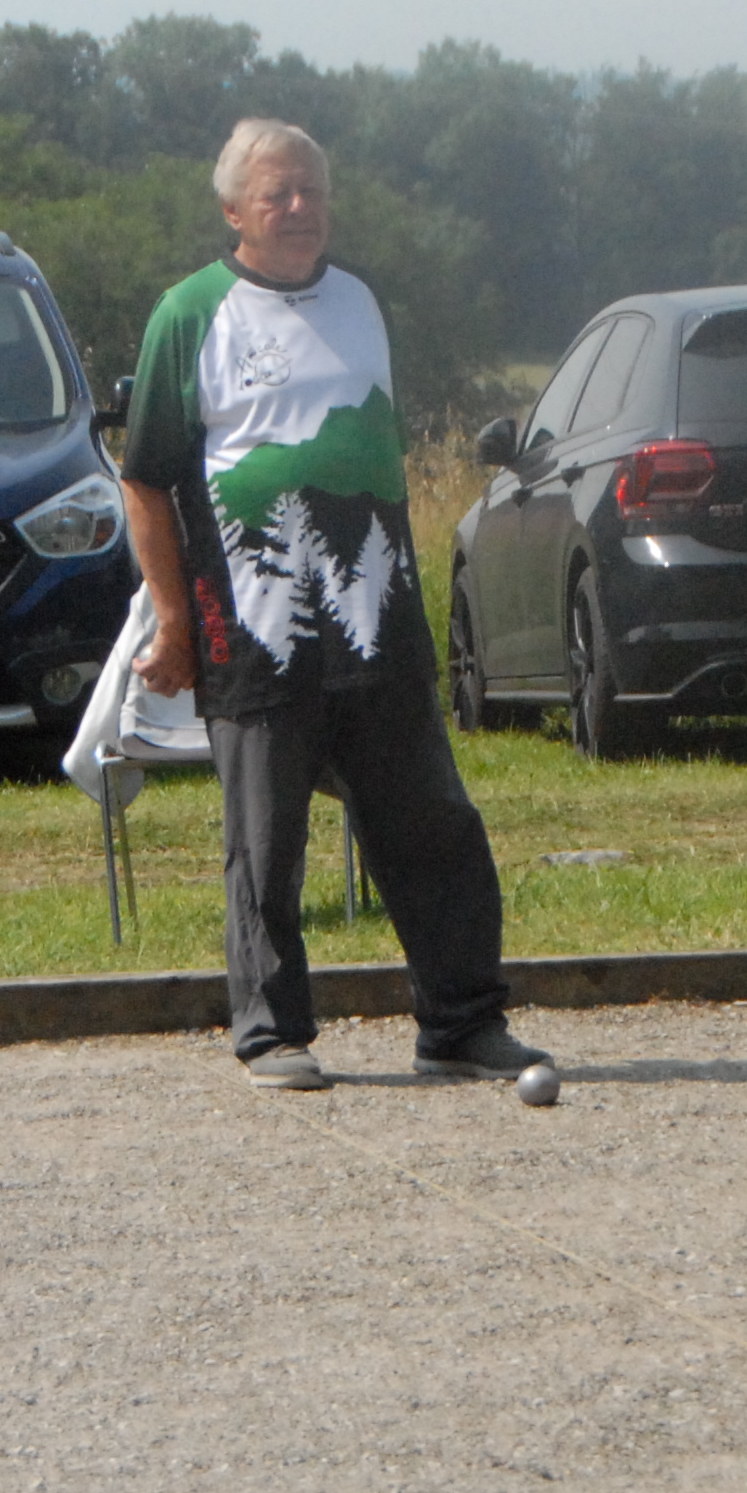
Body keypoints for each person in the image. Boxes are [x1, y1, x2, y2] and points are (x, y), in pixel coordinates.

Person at [120, 118, 550, 1093]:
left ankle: (461, 1022)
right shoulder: (191, 313)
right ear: (234, 211)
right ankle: (271, 1031)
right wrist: (175, 620)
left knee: (434, 825)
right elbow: (143, 480)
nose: (299, 208)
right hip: (254, 624)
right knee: (265, 841)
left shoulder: (358, 299)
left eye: (312, 190)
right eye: (277, 193)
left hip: (376, 617)